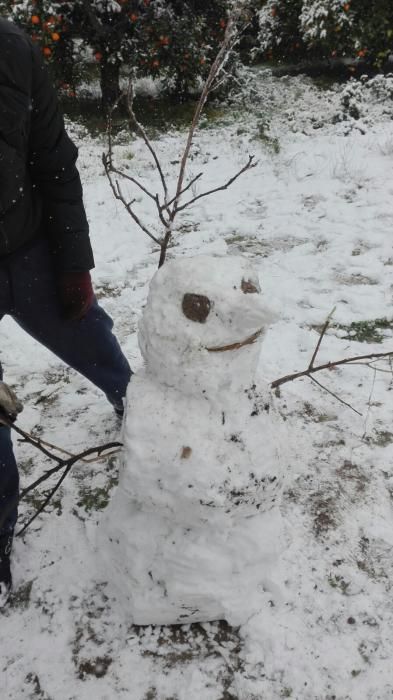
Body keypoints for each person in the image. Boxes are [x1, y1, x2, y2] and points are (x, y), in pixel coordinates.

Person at [0, 19, 132, 604]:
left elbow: (53, 162)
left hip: (28, 248)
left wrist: (73, 264)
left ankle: (144, 416)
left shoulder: (15, 51)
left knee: (96, 345)